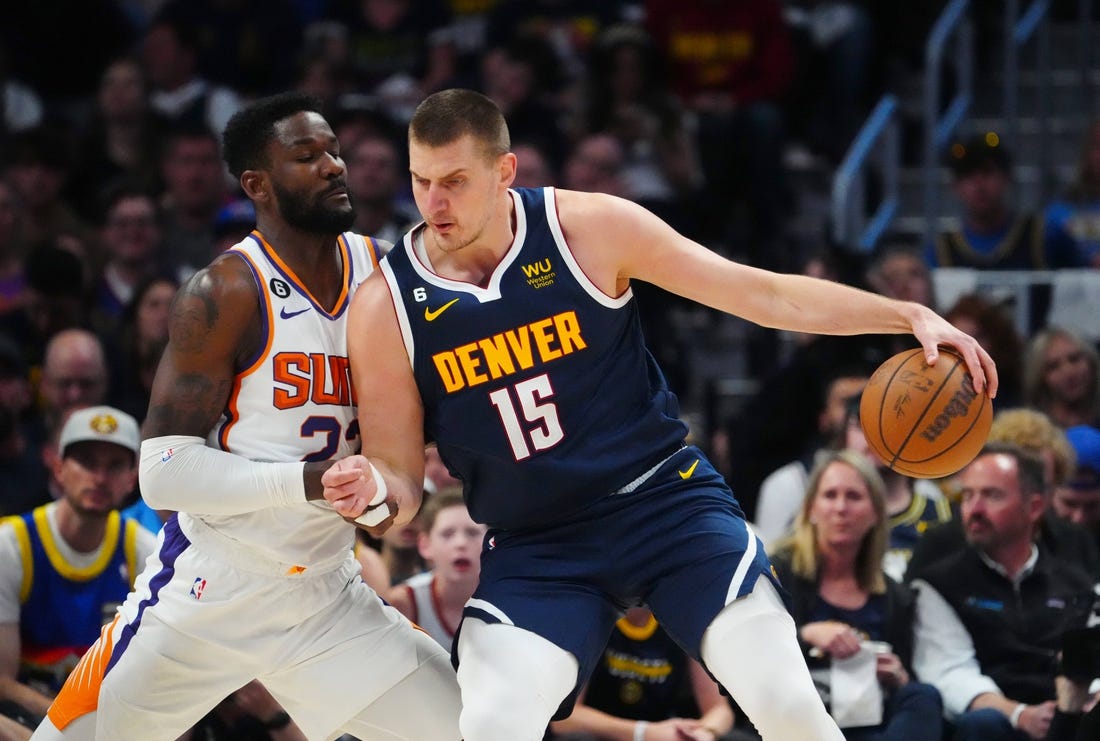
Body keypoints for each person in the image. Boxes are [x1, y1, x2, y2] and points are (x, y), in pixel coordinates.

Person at [321, 88, 996, 740]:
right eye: (420, 180)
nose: (433, 202)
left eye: (455, 181)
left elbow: (760, 294)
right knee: (491, 724)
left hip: (665, 505)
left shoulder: (587, 228)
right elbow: (402, 487)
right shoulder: (387, 305)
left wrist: (902, 313)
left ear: (505, 172)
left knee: (787, 701)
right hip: (538, 544)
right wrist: (375, 490)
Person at [28, 91, 461, 741]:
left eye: (335, 150)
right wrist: (309, 481)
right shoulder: (225, 290)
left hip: (325, 597)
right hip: (207, 595)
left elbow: (396, 461)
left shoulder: (387, 274)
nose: (333, 165)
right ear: (257, 183)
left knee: (469, 727)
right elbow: (162, 472)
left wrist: (375, 494)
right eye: (306, 155)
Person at [910, 443, 1098, 741]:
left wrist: (1086, 699)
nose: (975, 509)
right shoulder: (939, 584)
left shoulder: (1076, 582)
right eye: (968, 495)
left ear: (1035, 507)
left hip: (1069, 711)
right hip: (994, 720)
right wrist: (1019, 713)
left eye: (992, 495)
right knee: (983, 723)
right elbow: (949, 672)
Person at [0, 406, 158, 733]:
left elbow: (155, 677)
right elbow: (2, 681)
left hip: (109, 721)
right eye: (86, 462)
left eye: (114, 465)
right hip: (29, 717)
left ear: (133, 477)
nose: (99, 478)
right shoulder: (12, 546)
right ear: (58, 468)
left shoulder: (145, 551)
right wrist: (69, 727)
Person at [769, 450, 944, 740]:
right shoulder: (777, 572)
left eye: (853, 497)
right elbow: (756, 656)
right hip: (802, 719)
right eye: (829, 495)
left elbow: (906, 675)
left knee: (922, 696)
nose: (840, 508)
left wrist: (897, 676)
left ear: (876, 513)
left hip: (872, 723)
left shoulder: (893, 594)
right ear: (811, 508)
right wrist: (808, 634)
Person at [547, 606, 738, 741]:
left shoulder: (684, 622)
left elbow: (719, 710)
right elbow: (563, 720)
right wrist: (642, 733)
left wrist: (704, 731)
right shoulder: (590, 617)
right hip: (601, 732)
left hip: (663, 732)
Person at [389, 486, 486, 650]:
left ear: (489, 542)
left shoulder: (510, 598)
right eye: (447, 534)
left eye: (472, 532)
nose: (460, 543)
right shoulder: (403, 602)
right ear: (425, 544)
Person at [1023, 326, 1100, 430]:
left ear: (1091, 362)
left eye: (1074, 359)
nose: (1068, 373)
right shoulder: (1030, 430)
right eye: (1053, 366)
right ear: (1040, 378)